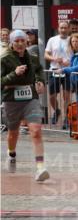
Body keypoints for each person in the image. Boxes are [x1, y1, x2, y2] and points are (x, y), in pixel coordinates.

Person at [1, 29, 49, 180]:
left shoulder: (33, 58)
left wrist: (40, 81)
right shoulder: (4, 59)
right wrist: (14, 74)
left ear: (27, 42)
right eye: (17, 41)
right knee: (13, 133)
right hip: (11, 101)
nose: (20, 43)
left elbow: (39, 70)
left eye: (23, 40)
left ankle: (40, 168)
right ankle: (11, 154)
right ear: (11, 43)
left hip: (30, 99)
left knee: (36, 130)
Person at [44, 20, 71, 125]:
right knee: (52, 96)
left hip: (67, 70)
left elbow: (77, 54)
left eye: (65, 28)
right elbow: (46, 55)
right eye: (61, 28)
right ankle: (57, 110)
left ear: (68, 29)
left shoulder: (72, 40)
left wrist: (70, 62)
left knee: (66, 96)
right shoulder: (52, 40)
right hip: (55, 69)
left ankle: (67, 118)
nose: (63, 30)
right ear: (58, 29)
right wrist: (54, 59)